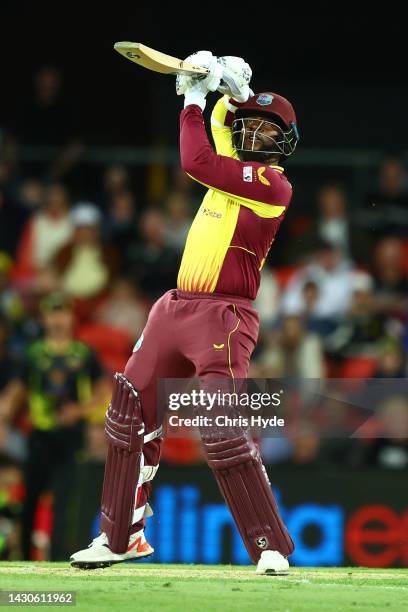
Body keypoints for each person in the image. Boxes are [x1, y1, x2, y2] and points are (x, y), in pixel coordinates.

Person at [70, 52, 300, 575]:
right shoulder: (232, 169)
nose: (257, 134)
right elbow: (220, 132)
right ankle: (119, 538)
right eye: (253, 125)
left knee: (219, 425)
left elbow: (195, 160)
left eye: (270, 129)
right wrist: (226, 90)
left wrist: (193, 98)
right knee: (128, 413)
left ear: (284, 142)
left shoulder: (273, 186)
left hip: (224, 314)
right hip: (172, 307)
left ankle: (270, 546)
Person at [0, 292, 104, 560]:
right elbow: (17, 391)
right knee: (30, 498)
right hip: (40, 436)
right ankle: (23, 557)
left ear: (71, 317)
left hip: (71, 437)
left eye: (62, 313)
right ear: (44, 318)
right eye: (52, 313)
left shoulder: (83, 354)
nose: (58, 319)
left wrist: (79, 411)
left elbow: (103, 393)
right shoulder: (33, 354)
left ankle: (59, 558)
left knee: (65, 500)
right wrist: (3, 420)